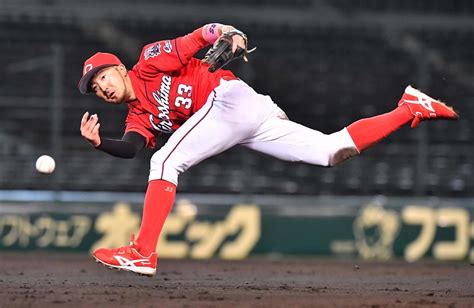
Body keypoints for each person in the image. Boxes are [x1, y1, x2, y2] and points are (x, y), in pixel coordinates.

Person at [78, 23, 458, 276]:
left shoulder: (148, 62)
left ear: (119, 68)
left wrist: (226, 32)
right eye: (95, 88)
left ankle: (143, 251)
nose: (102, 87)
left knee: (166, 159)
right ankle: (410, 107)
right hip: (240, 119)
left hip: (229, 101)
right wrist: (100, 144)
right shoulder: (137, 116)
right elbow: (131, 149)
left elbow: (198, 37)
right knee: (331, 150)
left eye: (103, 77)